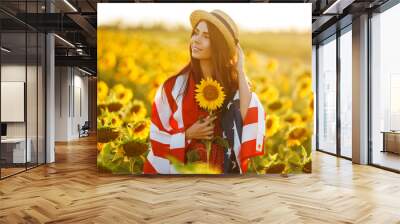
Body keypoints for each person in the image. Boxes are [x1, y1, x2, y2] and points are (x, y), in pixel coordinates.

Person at [143, 9, 265, 174]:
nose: (196, 40)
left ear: (219, 46)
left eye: (206, 37)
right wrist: (186, 134)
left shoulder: (234, 87)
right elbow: (156, 136)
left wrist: (240, 69)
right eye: (196, 33)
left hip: (222, 172)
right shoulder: (173, 87)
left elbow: (249, 119)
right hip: (182, 173)